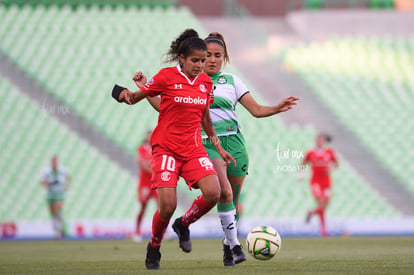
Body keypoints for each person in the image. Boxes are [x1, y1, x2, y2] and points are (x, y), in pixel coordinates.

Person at [144, 32, 299, 266]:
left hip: (235, 143)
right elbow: (166, 108)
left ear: (225, 58)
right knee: (223, 191)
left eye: (218, 55)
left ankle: (221, 244)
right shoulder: (190, 81)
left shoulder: (233, 82)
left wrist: (276, 108)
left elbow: (255, 111)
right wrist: (144, 92)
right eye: (208, 56)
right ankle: (235, 245)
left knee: (233, 201)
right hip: (205, 142)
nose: (212, 60)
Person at [111, 29, 235, 270]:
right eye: (195, 60)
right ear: (182, 58)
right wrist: (124, 93)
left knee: (214, 193)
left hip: (193, 149)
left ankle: (184, 224)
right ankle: (154, 246)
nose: (200, 65)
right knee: (167, 206)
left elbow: (205, 119)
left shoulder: (205, 83)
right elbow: (135, 98)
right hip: (166, 149)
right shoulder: (166, 77)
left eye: (203, 60)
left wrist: (218, 147)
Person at [302, 133, 338, 237]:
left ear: (324, 141)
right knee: (322, 202)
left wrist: (330, 168)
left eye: (321, 140)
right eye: (318, 140)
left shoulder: (329, 152)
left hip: (326, 182)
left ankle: (312, 213)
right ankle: (324, 231)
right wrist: (301, 175)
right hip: (316, 182)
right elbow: (303, 164)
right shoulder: (311, 153)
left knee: (323, 207)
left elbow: (336, 164)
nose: (320, 142)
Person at [133, 130, 158, 243]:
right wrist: (155, 172)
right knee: (143, 207)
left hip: (156, 182)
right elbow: (143, 164)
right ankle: (137, 232)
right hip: (145, 183)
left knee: (162, 207)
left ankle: (161, 232)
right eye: (148, 135)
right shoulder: (142, 148)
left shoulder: (156, 148)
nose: (150, 137)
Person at [40, 155, 71, 239]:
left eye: (56, 161)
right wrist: (47, 182)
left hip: (59, 193)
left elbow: (68, 176)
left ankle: (61, 230)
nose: (54, 163)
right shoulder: (46, 171)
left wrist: (67, 185)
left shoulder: (62, 170)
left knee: (58, 210)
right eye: (53, 162)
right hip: (51, 194)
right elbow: (42, 182)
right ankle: (57, 232)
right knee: (53, 214)